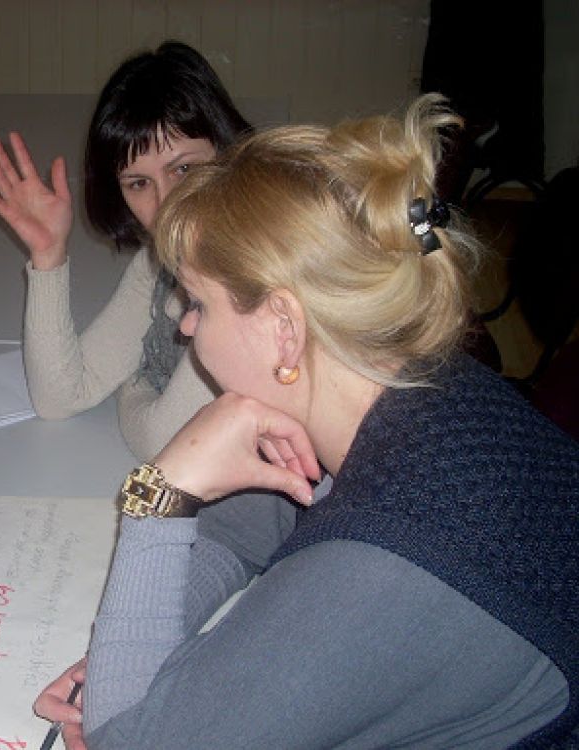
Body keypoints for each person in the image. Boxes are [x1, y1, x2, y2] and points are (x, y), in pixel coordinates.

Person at [35, 95, 579, 748]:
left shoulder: (382, 568)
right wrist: (135, 653)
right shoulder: (399, 382)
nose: (185, 326)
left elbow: (128, 744)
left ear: (284, 329)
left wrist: (160, 494)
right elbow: (249, 527)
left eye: (199, 303)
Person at [0, 41, 251, 461]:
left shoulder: (247, 278)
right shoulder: (158, 264)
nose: (165, 203)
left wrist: (133, 381)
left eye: (184, 169)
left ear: (228, 152)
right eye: (139, 183)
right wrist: (48, 255)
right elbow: (60, 398)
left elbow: (165, 444)